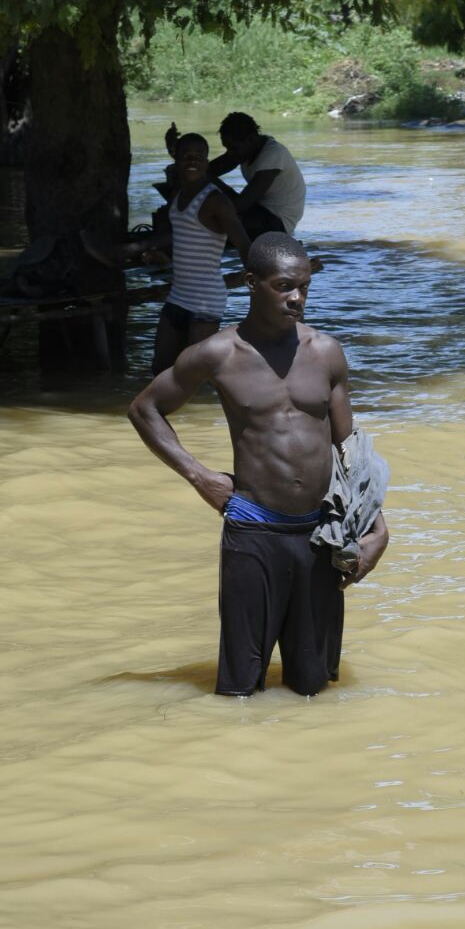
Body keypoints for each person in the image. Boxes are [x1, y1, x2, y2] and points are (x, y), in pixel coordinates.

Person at [127, 231, 390, 697]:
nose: (297, 298)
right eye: (285, 286)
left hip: (321, 534)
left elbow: (350, 448)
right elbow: (145, 409)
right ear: (251, 282)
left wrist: (375, 526)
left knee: (313, 690)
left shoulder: (325, 352)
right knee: (239, 690)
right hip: (253, 530)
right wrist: (198, 475)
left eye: (304, 287)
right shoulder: (218, 354)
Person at [84, 133, 251, 374]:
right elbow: (180, 233)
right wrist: (145, 250)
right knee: (160, 370)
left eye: (199, 157)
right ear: (176, 160)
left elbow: (243, 243)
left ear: (206, 161)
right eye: (186, 157)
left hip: (206, 300)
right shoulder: (179, 195)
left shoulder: (216, 201)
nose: (192, 161)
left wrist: (262, 285)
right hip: (178, 295)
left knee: (193, 375)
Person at [167, 112, 307, 240]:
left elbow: (241, 205)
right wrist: (177, 155)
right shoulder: (246, 149)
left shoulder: (273, 155)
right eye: (227, 148)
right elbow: (205, 169)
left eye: (233, 148)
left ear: (251, 139)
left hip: (276, 225)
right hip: (257, 213)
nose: (230, 153)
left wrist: (202, 211)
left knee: (212, 204)